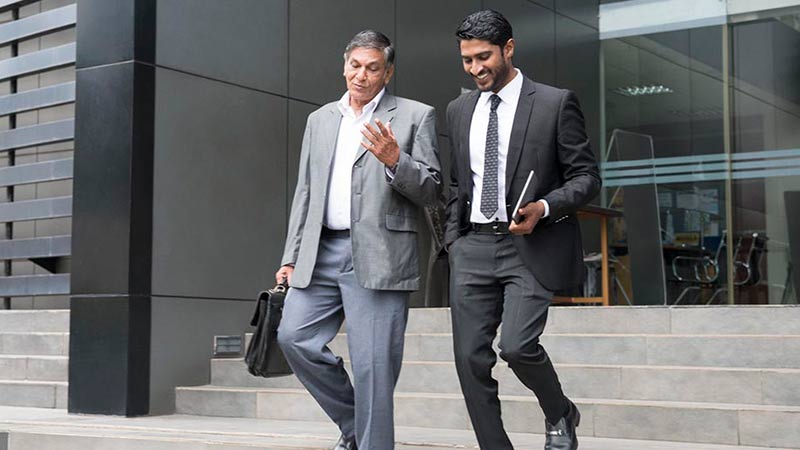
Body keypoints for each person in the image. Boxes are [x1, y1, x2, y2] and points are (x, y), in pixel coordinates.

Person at [275, 30, 441, 450]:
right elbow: (306, 192)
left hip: (381, 253)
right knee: (294, 337)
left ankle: (370, 442)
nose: (361, 76)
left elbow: (433, 191)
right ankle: (356, 427)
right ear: (344, 65)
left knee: (374, 368)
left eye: (372, 68)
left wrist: (395, 160)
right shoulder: (320, 119)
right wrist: (292, 255)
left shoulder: (415, 116)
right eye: (355, 65)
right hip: (321, 251)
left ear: (388, 72)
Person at [444, 10, 601, 450]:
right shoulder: (458, 110)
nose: (476, 68)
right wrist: (455, 243)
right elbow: (459, 183)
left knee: (515, 346)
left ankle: (559, 411)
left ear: (508, 48)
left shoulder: (554, 103)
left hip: (529, 246)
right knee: (469, 360)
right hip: (473, 245)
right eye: (467, 59)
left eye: (484, 57)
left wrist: (545, 207)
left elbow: (586, 177)